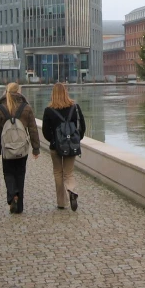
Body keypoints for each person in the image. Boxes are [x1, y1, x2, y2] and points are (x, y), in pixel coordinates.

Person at [0, 82, 40, 214]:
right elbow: (33, 129)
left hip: (7, 148)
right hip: (22, 148)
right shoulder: (26, 107)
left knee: (8, 173)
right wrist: (36, 148)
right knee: (20, 174)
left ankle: (12, 194)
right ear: (18, 91)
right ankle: (19, 207)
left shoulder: (0, 107)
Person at [42, 82, 86, 211]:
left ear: (53, 94)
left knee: (58, 172)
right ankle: (71, 191)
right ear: (66, 92)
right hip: (71, 145)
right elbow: (82, 126)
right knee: (69, 172)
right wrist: (76, 140)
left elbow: (45, 131)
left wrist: (54, 141)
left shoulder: (48, 110)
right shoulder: (75, 107)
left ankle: (61, 202)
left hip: (56, 146)